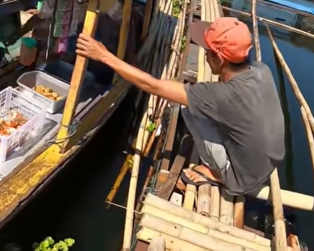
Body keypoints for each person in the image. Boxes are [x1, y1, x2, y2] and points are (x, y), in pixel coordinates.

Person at [75, 17, 285, 196]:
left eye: (207, 51)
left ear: (220, 59)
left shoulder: (219, 96)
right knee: (204, 106)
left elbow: (152, 85)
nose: (203, 54)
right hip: (269, 161)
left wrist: (103, 55)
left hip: (243, 180)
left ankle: (219, 174)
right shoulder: (261, 70)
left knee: (189, 109)